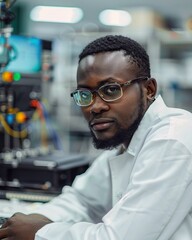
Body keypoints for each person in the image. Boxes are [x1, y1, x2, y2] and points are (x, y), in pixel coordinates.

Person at [0, 34, 192, 240]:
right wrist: (21, 222)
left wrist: (39, 232)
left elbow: (118, 238)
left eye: (111, 90)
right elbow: (81, 201)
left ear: (149, 89)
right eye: (85, 94)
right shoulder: (126, 142)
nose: (95, 106)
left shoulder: (172, 139)